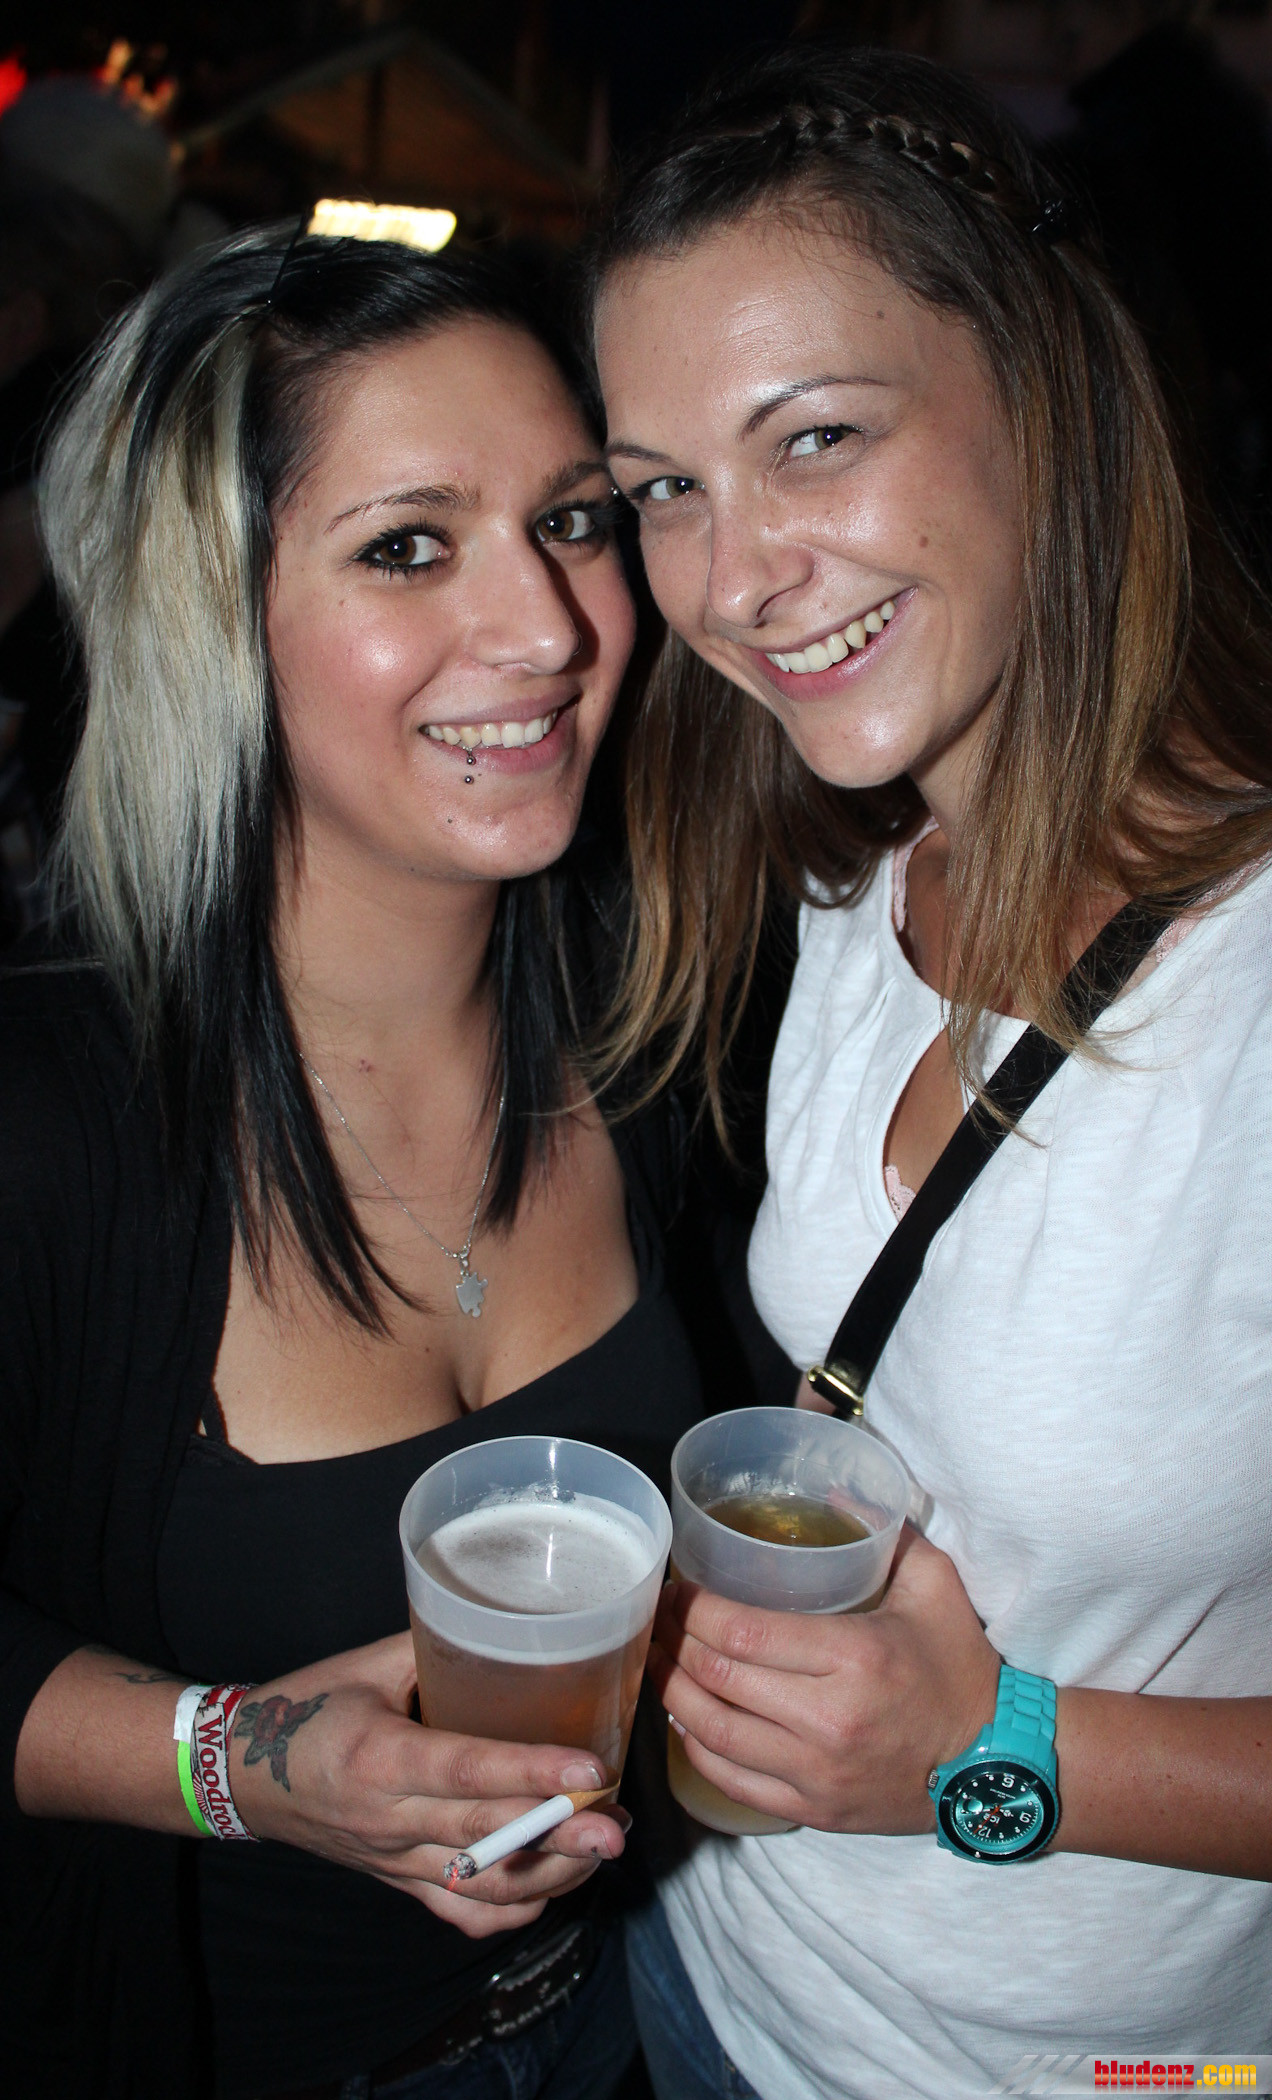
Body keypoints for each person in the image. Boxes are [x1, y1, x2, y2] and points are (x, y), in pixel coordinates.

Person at [586, 45, 1272, 2100]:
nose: (731, 579)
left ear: (1045, 392)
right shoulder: (851, 889)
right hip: (707, 1974)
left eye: (815, 438)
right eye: (666, 487)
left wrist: (991, 1749)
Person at [1, 223, 704, 2099]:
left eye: (571, 520)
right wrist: (237, 1763)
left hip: (640, 2022)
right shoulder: (50, 1120)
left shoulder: (659, 1028)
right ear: (206, 616)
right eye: (408, 545)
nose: (549, 627)